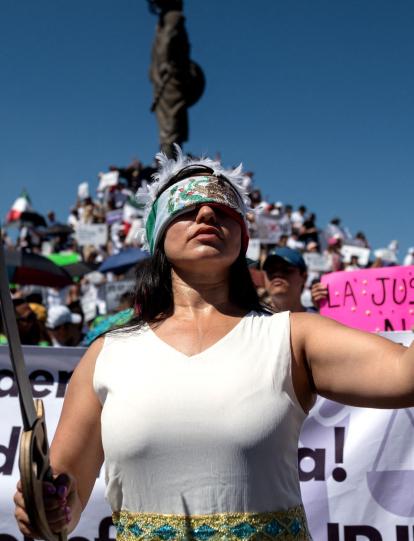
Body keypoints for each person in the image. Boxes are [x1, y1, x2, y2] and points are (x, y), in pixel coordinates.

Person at [14, 148, 414, 541]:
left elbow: (404, 374)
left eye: (225, 209)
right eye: (187, 206)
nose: (207, 213)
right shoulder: (106, 355)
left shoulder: (292, 337)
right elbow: (66, 500)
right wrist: (45, 507)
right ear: (157, 231)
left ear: (242, 236)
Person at [262, 247, 309, 313]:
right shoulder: (253, 320)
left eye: (286, 270)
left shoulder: (320, 319)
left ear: (304, 277)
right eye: (271, 270)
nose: (277, 274)